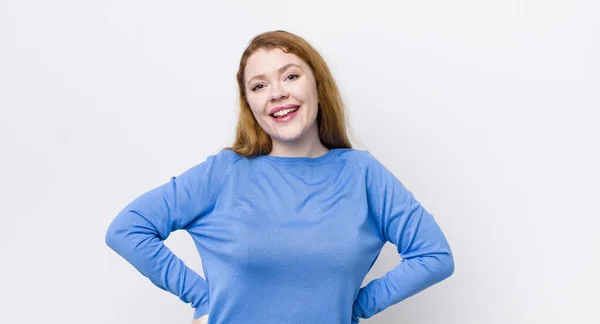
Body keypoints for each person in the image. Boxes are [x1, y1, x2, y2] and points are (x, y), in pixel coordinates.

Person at [105, 30, 455, 324]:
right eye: (258, 86)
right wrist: (204, 298)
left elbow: (433, 255)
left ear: (317, 83)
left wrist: (356, 306)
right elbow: (128, 229)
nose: (276, 93)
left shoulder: (362, 174)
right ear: (250, 104)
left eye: (290, 76)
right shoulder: (224, 172)